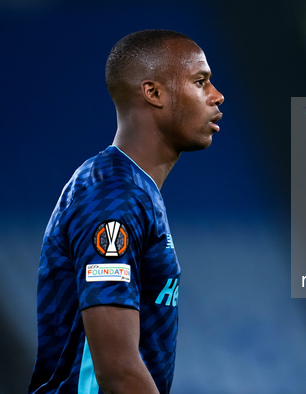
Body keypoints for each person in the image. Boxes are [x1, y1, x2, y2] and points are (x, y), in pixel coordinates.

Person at [29, 29, 224, 394]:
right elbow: (117, 371)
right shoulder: (112, 197)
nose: (217, 96)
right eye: (201, 81)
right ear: (153, 93)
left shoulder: (133, 191)